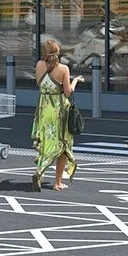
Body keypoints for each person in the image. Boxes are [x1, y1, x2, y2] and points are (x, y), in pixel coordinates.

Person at [31, 38, 76, 191]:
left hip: (43, 107)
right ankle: (57, 182)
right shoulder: (63, 69)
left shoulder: (39, 65)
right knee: (62, 144)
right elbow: (68, 92)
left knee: (45, 142)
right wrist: (75, 81)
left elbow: (39, 83)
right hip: (58, 108)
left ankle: (39, 173)